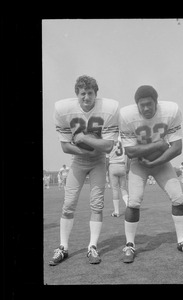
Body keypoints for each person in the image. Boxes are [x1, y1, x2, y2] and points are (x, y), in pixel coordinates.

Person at [119, 85, 183, 263]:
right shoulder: (126, 116)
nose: (146, 108)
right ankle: (129, 244)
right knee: (133, 202)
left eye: (149, 104)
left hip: (161, 162)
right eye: (142, 105)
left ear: (157, 103)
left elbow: (177, 148)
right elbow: (130, 152)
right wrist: (157, 145)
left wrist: (155, 161)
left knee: (178, 198)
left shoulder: (170, 111)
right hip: (139, 163)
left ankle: (182, 241)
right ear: (136, 105)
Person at [49, 75, 119, 266]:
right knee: (68, 204)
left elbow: (108, 146)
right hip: (78, 162)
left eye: (90, 93)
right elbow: (65, 147)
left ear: (96, 94)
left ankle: (92, 247)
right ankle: (63, 247)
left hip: (98, 162)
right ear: (76, 95)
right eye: (82, 93)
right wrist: (89, 148)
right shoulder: (64, 110)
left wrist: (83, 138)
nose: (86, 97)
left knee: (97, 205)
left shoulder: (109, 109)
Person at [106, 133, 129, 217]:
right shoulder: (122, 139)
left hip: (113, 165)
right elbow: (127, 155)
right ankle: (128, 206)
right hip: (122, 165)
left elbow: (107, 158)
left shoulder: (109, 141)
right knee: (123, 188)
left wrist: (106, 171)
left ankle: (116, 211)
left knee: (115, 189)